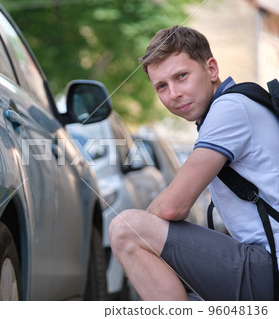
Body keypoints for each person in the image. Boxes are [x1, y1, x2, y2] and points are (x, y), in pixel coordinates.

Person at [108, 25, 279, 301]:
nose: (173, 93)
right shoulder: (236, 105)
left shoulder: (229, 109)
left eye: (181, 76)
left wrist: (144, 243)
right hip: (264, 265)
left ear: (211, 69)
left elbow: (174, 206)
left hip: (271, 269)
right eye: (162, 86)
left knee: (126, 229)